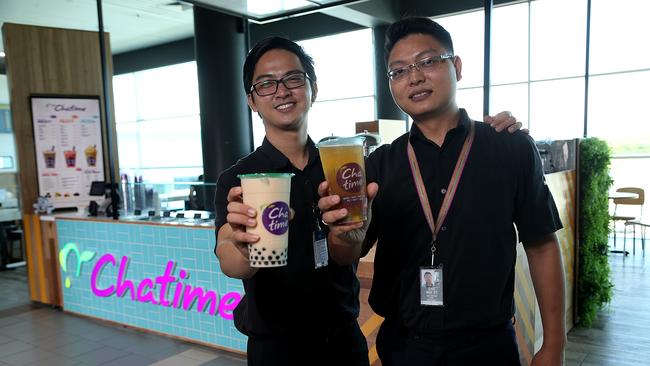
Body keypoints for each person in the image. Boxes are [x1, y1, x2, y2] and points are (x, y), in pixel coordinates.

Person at [214, 36, 523, 366]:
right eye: (266, 84)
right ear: (251, 99)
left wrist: (498, 134)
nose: (281, 90)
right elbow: (229, 258)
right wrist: (245, 248)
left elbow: (349, 252)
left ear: (312, 89)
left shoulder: (343, 167)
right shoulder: (239, 179)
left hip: (345, 342)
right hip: (277, 349)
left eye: (293, 78)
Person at [319, 17, 566, 366]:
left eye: (428, 61)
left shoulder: (510, 150)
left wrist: (554, 344)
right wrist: (343, 236)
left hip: (488, 346)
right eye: (399, 71)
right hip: (404, 347)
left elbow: (541, 244)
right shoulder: (379, 166)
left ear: (457, 66)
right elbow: (347, 254)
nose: (415, 77)